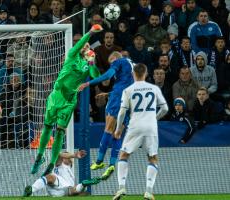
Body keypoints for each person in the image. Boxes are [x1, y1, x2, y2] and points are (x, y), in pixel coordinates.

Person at [30, 24, 103, 176]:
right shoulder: (71, 56)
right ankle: (39, 156)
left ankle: (51, 163)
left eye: (88, 46)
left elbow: (96, 76)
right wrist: (89, 33)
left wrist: (91, 62)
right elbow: (79, 44)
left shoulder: (86, 64)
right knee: (48, 127)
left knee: (60, 131)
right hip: (56, 96)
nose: (86, 46)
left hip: (69, 101)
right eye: (84, 45)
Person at [112, 63, 168, 200]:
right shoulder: (154, 88)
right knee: (152, 158)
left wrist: (118, 129)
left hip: (135, 126)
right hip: (150, 127)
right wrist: (153, 118)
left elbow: (121, 112)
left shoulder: (128, 90)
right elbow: (165, 108)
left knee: (124, 155)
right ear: (146, 74)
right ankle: (148, 191)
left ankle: (121, 187)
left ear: (133, 74)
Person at [79, 51, 134, 179]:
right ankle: (112, 164)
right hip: (130, 99)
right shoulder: (132, 65)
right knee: (118, 132)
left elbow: (108, 75)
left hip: (118, 97)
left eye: (111, 61)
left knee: (108, 129)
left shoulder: (119, 61)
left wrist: (88, 83)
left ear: (114, 58)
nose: (111, 64)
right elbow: (128, 84)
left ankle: (99, 161)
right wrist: (108, 94)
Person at [24, 150, 102, 197]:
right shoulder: (60, 164)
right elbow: (59, 155)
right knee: (50, 177)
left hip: (64, 191)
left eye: (67, 156)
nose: (66, 157)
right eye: (66, 155)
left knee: (80, 192)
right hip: (55, 187)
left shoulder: (71, 172)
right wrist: (74, 155)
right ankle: (31, 190)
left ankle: (83, 184)